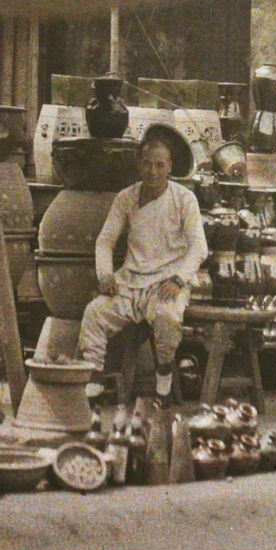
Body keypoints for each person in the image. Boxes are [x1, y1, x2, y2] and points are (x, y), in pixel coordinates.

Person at [78, 129, 207, 401]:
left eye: (160, 165)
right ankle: (94, 379)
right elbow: (105, 240)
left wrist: (179, 279)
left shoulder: (184, 199)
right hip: (131, 282)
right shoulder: (125, 198)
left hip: (166, 282)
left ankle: (163, 375)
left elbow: (198, 246)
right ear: (139, 164)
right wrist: (105, 274)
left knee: (167, 317)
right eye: (147, 163)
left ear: (170, 166)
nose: (153, 171)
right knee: (95, 312)